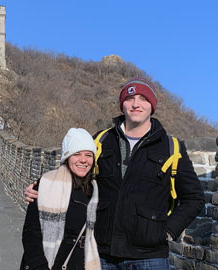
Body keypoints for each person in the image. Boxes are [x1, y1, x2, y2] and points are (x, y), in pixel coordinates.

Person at [25, 77, 205, 269]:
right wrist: (41, 187)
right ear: (122, 105)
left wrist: (167, 230)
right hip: (101, 252)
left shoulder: (171, 147)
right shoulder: (101, 140)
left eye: (143, 99)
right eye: (130, 98)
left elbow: (194, 198)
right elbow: (74, 169)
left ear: (152, 106)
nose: (136, 104)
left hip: (149, 256)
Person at [21, 128, 101, 270]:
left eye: (88, 155)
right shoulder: (47, 184)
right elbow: (31, 231)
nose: (83, 160)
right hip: (48, 263)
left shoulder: (96, 191)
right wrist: (39, 265)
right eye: (76, 154)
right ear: (66, 157)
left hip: (81, 263)